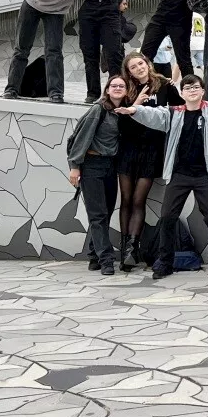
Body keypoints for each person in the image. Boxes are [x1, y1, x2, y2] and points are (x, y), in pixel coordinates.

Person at [115, 49, 208, 279]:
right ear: (182, 92)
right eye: (187, 88)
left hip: (204, 175)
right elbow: (153, 114)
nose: (192, 91)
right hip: (178, 174)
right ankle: (164, 263)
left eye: (196, 87)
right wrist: (134, 110)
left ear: (202, 91)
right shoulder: (173, 112)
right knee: (167, 217)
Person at [116, 53, 183, 271]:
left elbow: (181, 111)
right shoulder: (126, 88)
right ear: (129, 71)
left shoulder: (164, 84)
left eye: (140, 64)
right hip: (128, 148)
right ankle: (124, 249)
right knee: (125, 199)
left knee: (138, 199)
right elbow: (120, 121)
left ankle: (132, 248)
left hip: (152, 150)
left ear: (148, 64)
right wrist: (135, 102)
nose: (138, 68)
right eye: (133, 67)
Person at [5, 0, 89, 103]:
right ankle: (12, 88)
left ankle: (56, 92)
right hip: (34, 4)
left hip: (56, 11)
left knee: (54, 51)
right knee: (22, 48)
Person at [65, 74, 128, 275]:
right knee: (98, 214)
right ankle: (106, 260)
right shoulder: (98, 110)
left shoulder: (122, 112)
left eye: (121, 86)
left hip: (111, 166)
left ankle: (94, 256)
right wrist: (75, 166)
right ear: (107, 90)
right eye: (113, 85)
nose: (117, 88)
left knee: (105, 213)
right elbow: (81, 138)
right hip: (92, 165)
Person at [78, 0, 131, 102]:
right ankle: (92, 93)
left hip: (109, 10)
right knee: (90, 54)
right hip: (89, 10)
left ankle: (115, 92)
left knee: (113, 53)